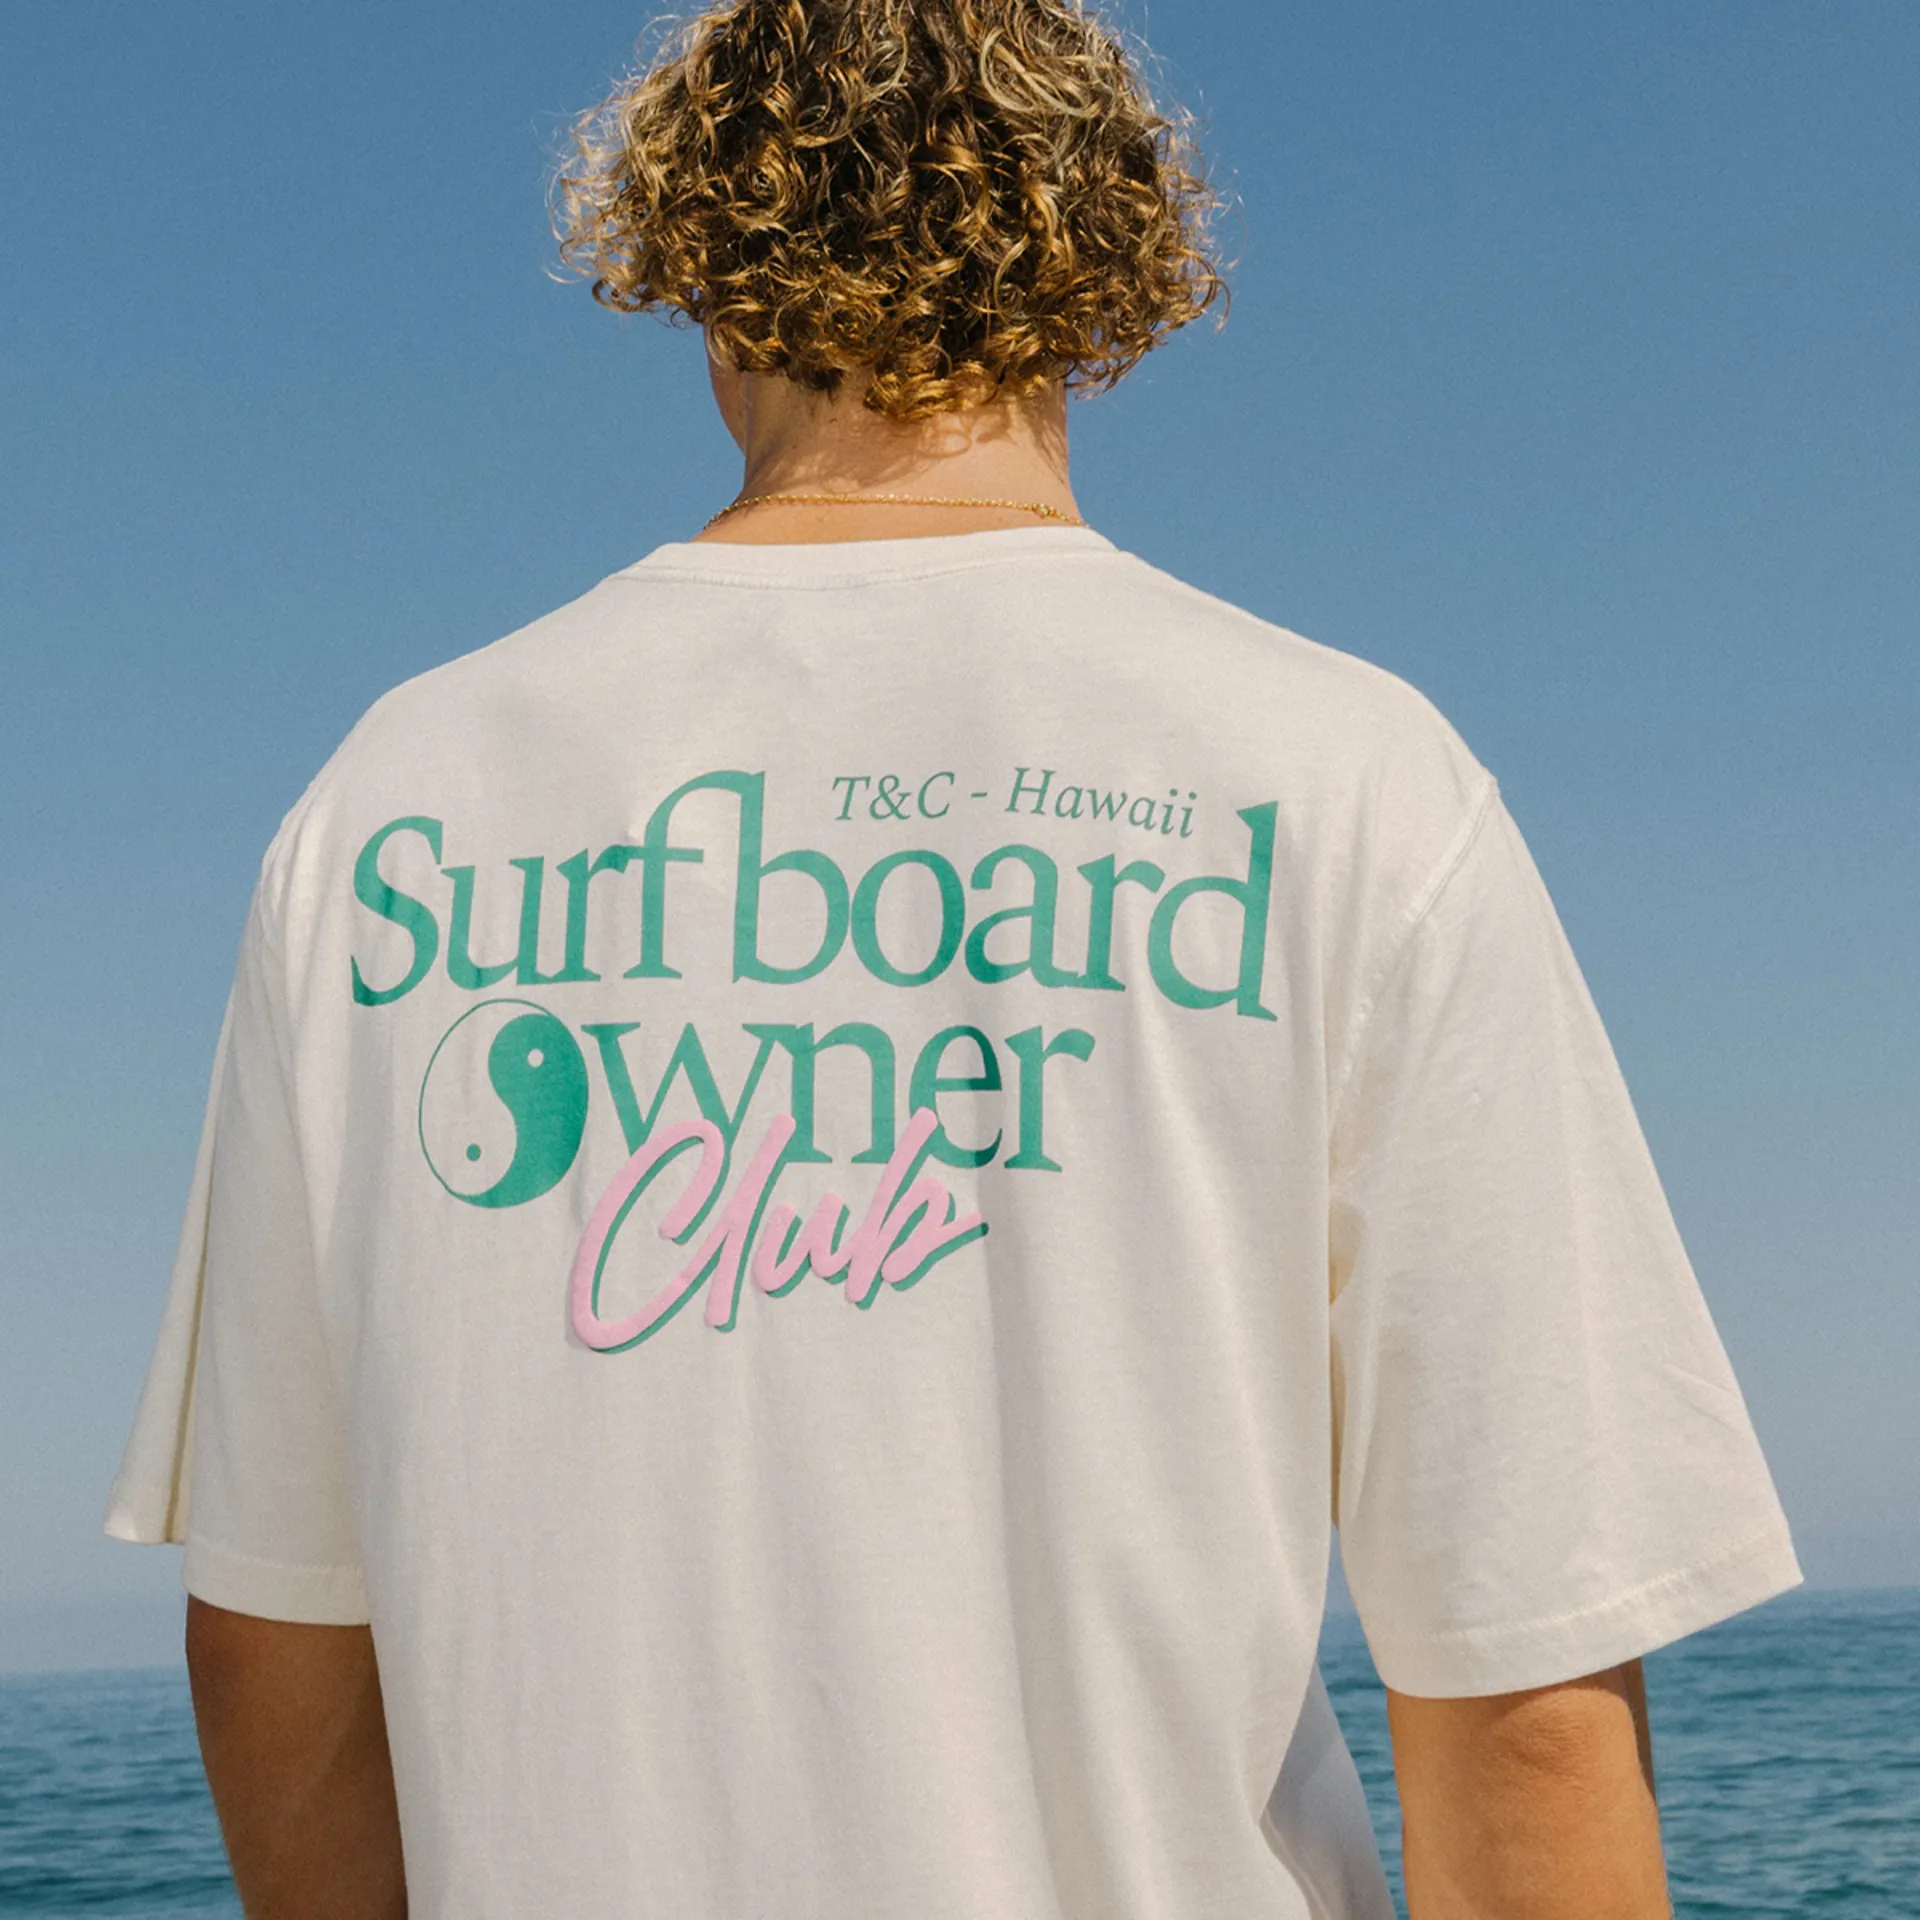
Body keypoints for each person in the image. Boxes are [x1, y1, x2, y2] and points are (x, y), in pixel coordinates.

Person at [105, 3, 1800, 1915]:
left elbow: (275, 1636)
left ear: (700, 275)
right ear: (1109, 273)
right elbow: (1522, 1694)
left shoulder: (388, 808)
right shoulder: (1347, 782)